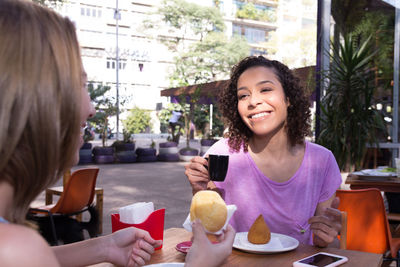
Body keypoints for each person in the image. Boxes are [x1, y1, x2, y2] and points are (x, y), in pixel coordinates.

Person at [0, 1, 234, 266]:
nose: (91, 108)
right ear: (31, 100)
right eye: (80, 84)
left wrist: (104, 246)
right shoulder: (14, 248)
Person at [185, 56, 343, 248]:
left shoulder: (322, 161)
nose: (253, 101)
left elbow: (327, 244)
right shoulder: (222, 153)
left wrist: (324, 237)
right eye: (243, 95)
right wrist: (198, 191)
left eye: (265, 89)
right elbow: (206, 233)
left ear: (288, 98)